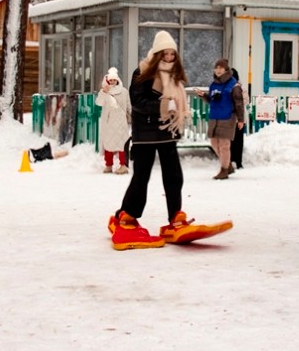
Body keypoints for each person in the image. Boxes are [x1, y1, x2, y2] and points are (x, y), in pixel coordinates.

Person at [110, 30, 192, 250]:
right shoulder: (142, 71)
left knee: (174, 175)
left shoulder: (173, 75)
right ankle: (127, 215)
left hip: (166, 133)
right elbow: (137, 102)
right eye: (164, 54)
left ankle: (176, 216)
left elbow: (176, 101)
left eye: (172, 54)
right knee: (141, 177)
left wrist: (177, 108)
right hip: (145, 134)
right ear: (157, 54)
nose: (168, 57)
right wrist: (163, 106)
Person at [196, 58, 245, 180]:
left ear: (226, 69)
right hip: (214, 117)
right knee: (214, 143)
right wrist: (204, 96)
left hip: (227, 117)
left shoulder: (234, 85)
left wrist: (240, 119)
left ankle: (224, 170)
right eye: (216, 68)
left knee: (224, 145)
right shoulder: (214, 84)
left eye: (221, 68)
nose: (218, 70)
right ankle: (227, 165)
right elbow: (213, 101)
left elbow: (239, 103)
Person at [95, 67, 131, 174]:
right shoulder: (105, 92)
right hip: (109, 122)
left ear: (117, 80)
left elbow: (128, 105)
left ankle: (122, 165)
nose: (112, 82)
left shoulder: (124, 91)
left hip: (119, 121)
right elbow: (99, 103)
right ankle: (109, 165)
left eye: (114, 80)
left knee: (121, 144)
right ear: (107, 81)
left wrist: (131, 115)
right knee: (109, 144)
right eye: (110, 80)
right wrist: (103, 92)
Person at [229, 68, 247, 170]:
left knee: (238, 140)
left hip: (239, 119)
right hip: (230, 119)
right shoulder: (226, 87)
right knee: (231, 140)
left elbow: (246, 100)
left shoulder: (240, 88)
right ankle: (231, 160)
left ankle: (238, 161)